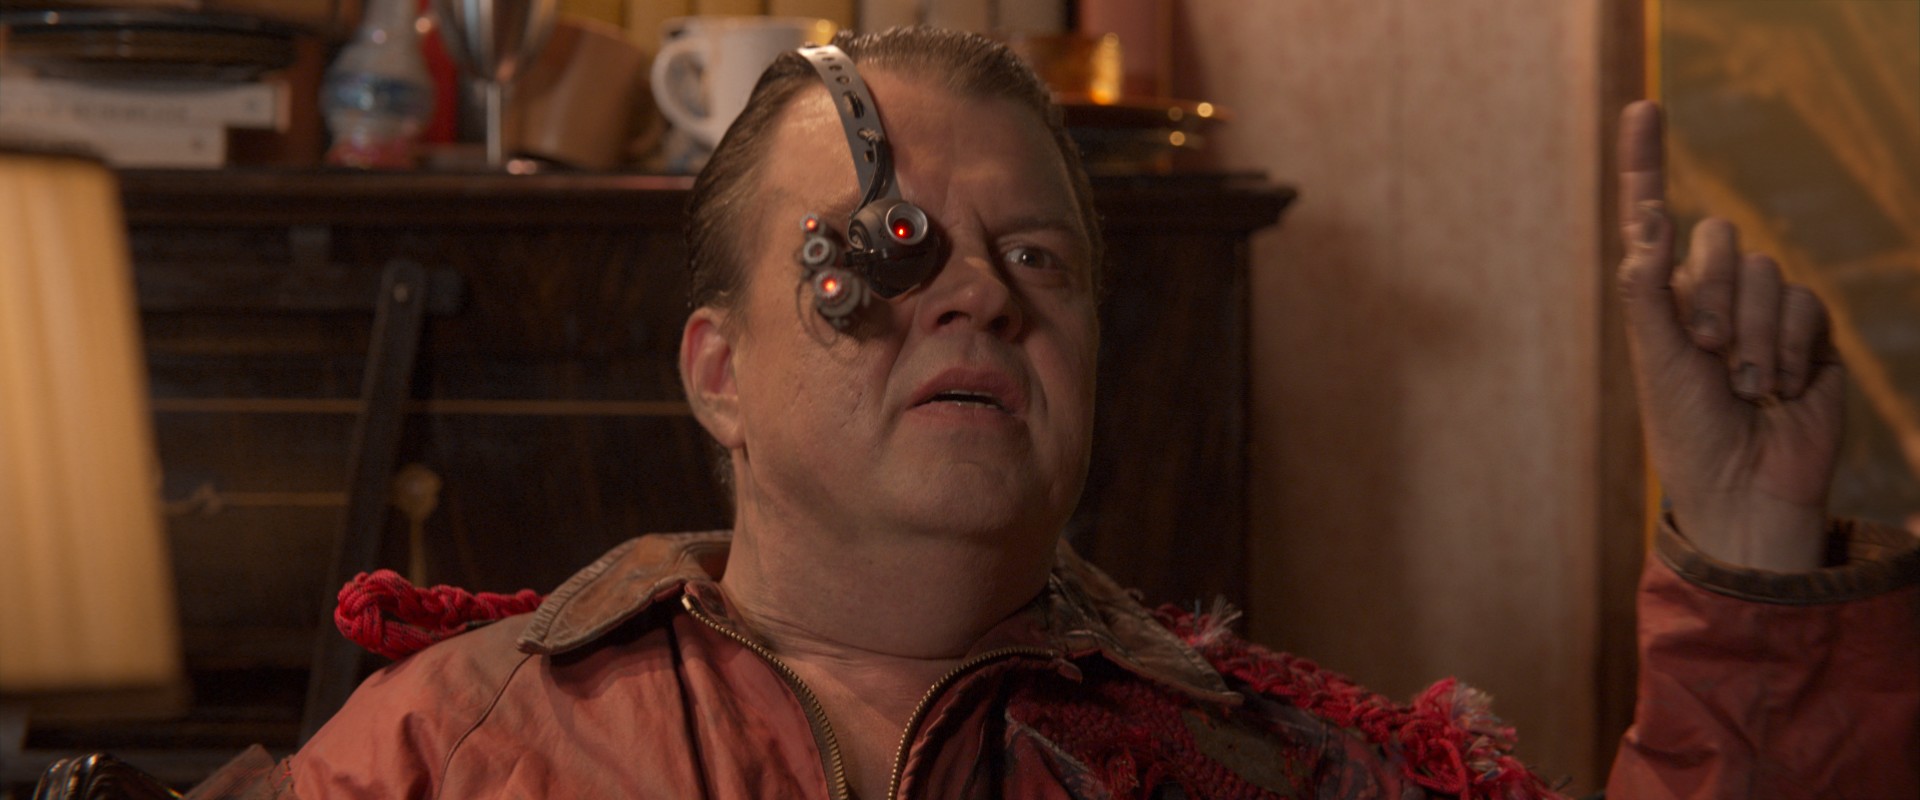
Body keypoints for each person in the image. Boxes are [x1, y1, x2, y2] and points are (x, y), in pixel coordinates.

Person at [259, 27, 1916, 799]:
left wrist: (1753, 562)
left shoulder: (1275, 775)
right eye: (892, 248)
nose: (983, 295)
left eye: (1038, 259)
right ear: (719, 373)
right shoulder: (458, 752)